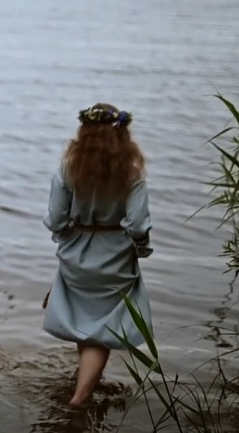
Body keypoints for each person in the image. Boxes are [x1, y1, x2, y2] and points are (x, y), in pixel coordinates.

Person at [42, 103, 154, 407]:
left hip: (77, 253)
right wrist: (140, 249)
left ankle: (84, 383)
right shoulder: (131, 173)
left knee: (86, 319)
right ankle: (81, 396)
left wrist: (69, 238)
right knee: (102, 326)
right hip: (115, 256)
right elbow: (138, 224)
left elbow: (54, 218)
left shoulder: (68, 169)